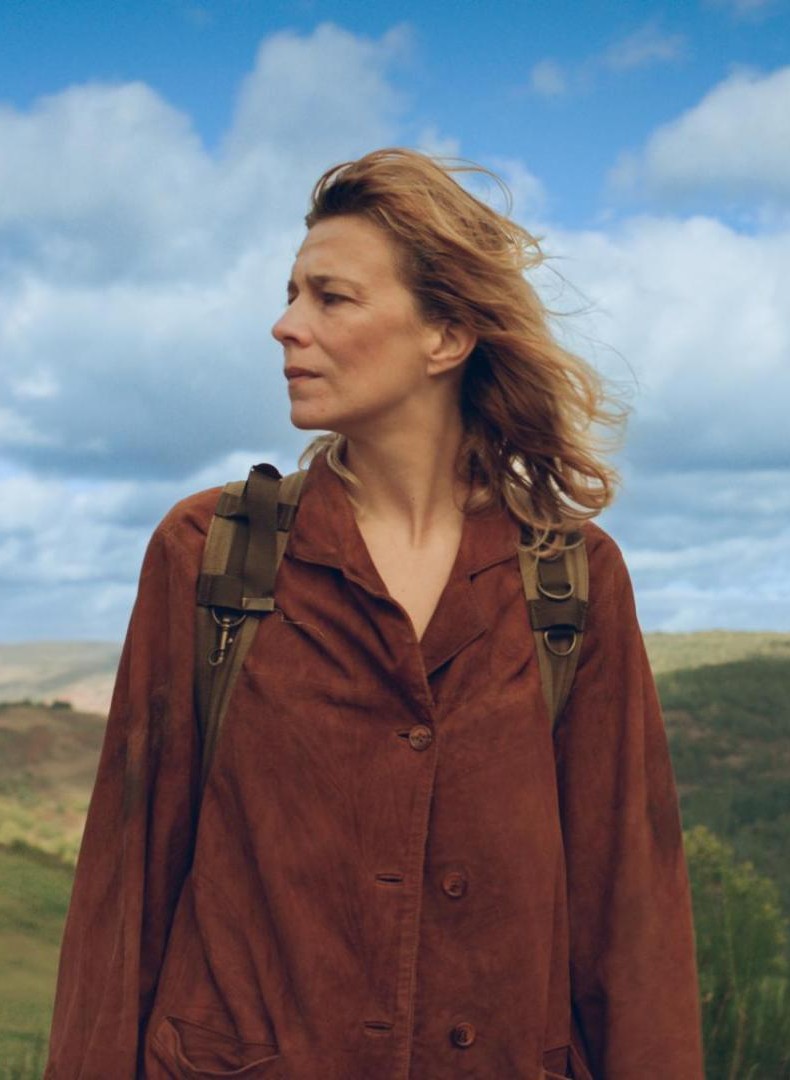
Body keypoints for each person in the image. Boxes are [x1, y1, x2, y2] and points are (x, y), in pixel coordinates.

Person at [45, 148, 704, 1079]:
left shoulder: (570, 579)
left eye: (332, 298)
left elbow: (630, 921)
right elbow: (125, 893)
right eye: (291, 294)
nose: (285, 325)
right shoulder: (212, 555)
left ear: (446, 336)